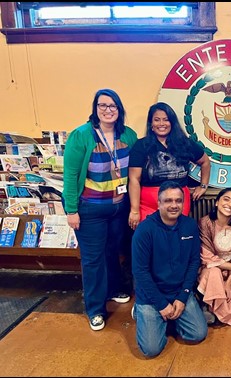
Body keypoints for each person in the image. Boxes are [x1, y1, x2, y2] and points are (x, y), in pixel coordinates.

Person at [62, 88, 138, 331]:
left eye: (112, 106)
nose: (108, 110)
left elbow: (135, 170)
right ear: (95, 109)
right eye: (102, 105)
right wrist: (72, 210)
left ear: (120, 110)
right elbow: (71, 175)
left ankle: (114, 288)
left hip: (119, 207)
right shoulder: (81, 136)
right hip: (90, 209)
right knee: (93, 260)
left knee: (113, 252)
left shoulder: (128, 135)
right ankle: (95, 308)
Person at [131, 180, 207, 358]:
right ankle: (142, 313)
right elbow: (140, 272)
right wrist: (161, 304)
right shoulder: (144, 231)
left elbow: (194, 262)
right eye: (168, 201)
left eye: (178, 201)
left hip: (179, 292)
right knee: (151, 350)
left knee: (198, 334)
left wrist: (183, 296)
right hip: (151, 296)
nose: (174, 205)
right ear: (158, 203)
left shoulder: (189, 226)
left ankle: (169, 320)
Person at [128, 102, 211, 230]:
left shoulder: (184, 143)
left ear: (172, 123)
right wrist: (134, 210)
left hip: (177, 202)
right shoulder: (141, 146)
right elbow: (134, 179)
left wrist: (203, 186)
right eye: (157, 120)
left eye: (166, 120)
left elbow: (205, 162)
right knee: (152, 240)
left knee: (176, 237)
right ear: (151, 124)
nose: (161, 124)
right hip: (148, 205)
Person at [197, 188, 231, 327]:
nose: (230, 204)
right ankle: (208, 309)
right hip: (210, 269)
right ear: (216, 202)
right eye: (226, 199)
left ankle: (213, 313)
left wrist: (229, 280)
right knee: (214, 274)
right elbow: (207, 256)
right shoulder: (206, 222)